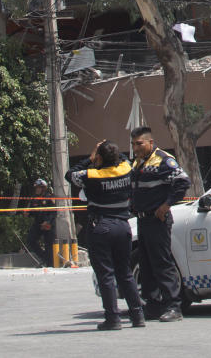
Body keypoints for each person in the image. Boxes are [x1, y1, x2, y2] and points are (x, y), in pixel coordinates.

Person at [69, 140, 145, 331]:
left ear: (99, 158)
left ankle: (113, 318)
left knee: (106, 275)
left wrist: (91, 157)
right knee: (125, 272)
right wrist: (108, 154)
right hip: (123, 225)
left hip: (101, 226)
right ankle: (137, 315)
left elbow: (70, 174)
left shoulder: (91, 175)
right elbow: (126, 159)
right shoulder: (126, 169)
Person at [130, 126, 192, 322]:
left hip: (157, 220)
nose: (135, 148)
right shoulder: (137, 163)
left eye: (139, 144)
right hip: (142, 220)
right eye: (133, 144)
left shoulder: (164, 160)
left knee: (162, 263)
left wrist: (166, 206)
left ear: (150, 142)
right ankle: (154, 305)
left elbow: (182, 181)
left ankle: (173, 306)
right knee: (146, 264)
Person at [24, 179, 56, 268]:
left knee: (49, 245)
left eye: (39, 188)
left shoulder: (49, 198)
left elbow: (54, 212)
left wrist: (48, 222)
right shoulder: (34, 199)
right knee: (30, 240)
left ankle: (50, 264)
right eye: (36, 188)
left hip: (48, 225)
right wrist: (27, 213)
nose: (37, 189)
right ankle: (44, 258)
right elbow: (31, 211)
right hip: (38, 224)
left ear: (43, 188)